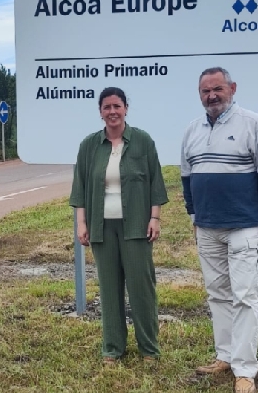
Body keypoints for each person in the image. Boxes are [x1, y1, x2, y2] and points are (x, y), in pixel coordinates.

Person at [180, 67, 258, 393]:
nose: (211, 95)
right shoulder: (192, 130)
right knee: (218, 296)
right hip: (208, 228)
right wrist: (194, 218)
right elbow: (187, 180)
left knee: (245, 297)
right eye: (205, 91)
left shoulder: (254, 125)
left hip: (243, 227)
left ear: (232, 88)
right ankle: (224, 356)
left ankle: (244, 371)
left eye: (217, 88)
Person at [69, 86, 169, 364]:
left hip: (136, 226)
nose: (112, 111)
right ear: (100, 112)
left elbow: (155, 183)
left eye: (117, 106)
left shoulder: (142, 141)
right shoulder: (89, 146)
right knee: (109, 290)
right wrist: (82, 224)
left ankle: (149, 349)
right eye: (106, 107)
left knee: (142, 289)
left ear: (126, 108)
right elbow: (80, 188)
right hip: (102, 228)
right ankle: (112, 348)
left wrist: (155, 218)